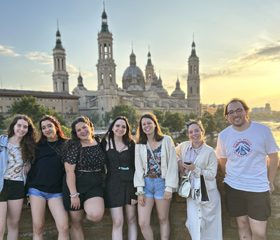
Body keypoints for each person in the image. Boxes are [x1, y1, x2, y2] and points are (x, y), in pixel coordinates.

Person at [216, 98, 279, 240]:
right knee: (242, 226)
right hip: (234, 187)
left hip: (258, 188)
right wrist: (230, 178)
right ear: (227, 117)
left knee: (259, 232)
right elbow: (223, 161)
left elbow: (274, 157)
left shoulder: (263, 130)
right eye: (231, 112)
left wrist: (270, 181)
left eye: (239, 110)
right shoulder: (223, 135)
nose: (235, 114)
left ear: (246, 111)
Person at [134, 113, 178, 240]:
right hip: (146, 184)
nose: (146, 126)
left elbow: (172, 165)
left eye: (149, 123)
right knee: (142, 222)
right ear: (141, 127)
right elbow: (138, 168)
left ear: (155, 124)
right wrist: (139, 190)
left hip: (162, 183)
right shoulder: (139, 144)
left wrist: (169, 187)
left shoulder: (166, 140)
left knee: (162, 218)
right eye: (144, 124)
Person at [176, 120, 222, 240]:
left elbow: (212, 174)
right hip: (192, 194)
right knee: (194, 226)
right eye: (191, 132)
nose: (194, 134)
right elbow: (171, 152)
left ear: (202, 132)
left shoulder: (210, 151)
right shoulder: (184, 146)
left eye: (197, 131)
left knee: (211, 228)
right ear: (188, 134)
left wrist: (196, 169)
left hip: (208, 195)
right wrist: (179, 161)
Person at [62, 116, 106, 240]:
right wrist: (73, 195)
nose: (82, 131)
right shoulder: (74, 146)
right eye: (79, 130)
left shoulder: (99, 142)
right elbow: (69, 171)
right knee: (76, 223)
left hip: (94, 184)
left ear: (90, 127)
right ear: (76, 133)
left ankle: (87, 210)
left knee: (96, 215)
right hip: (76, 184)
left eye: (84, 127)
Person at [27, 115, 69, 240]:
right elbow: (31, 168)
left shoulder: (66, 144)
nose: (47, 130)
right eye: (43, 128)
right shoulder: (37, 146)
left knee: (64, 227)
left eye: (49, 126)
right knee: (38, 227)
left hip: (57, 191)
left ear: (56, 126)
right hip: (37, 190)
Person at [0, 115, 36, 240]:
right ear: (13, 126)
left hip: (18, 186)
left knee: (14, 224)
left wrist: (28, 163)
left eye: (25, 127)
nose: (21, 129)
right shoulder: (1, 142)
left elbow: (31, 162)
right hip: (1, 185)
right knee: (0, 226)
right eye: (19, 125)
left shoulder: (28, 147)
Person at [102, 116, 137, 240]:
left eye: (123, 127)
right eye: (117, 126)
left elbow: (135, 168)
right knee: (117, 222)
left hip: (129, 186)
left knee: (131, 219)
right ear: (112, 127)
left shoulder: (131, 144)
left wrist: (134, 193)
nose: (120, 129)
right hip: (112, 185)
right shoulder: (105, 142)